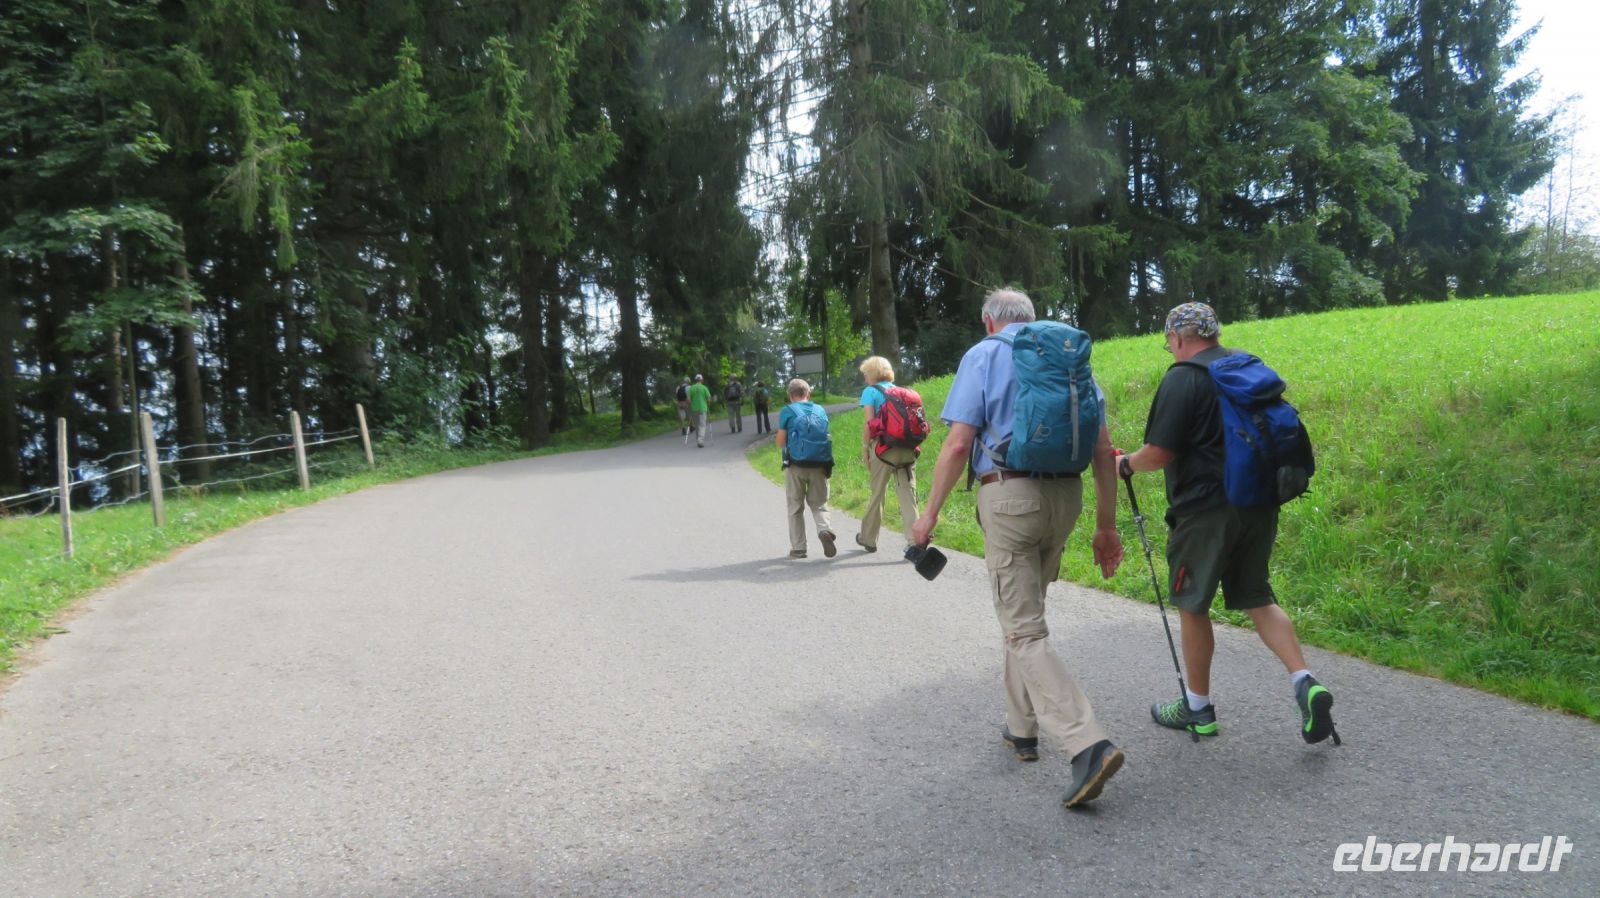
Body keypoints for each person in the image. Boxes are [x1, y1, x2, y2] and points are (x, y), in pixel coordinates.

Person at [911, 288, 1127, 809]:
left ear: (990, 321)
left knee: (1023, 626)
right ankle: (1021, 729)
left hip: (1009, 496)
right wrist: (1106, 526)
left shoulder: (984, 353)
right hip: (1066, 497)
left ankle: (1086, 743)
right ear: (1029, 321)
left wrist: (929, 514)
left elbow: (959, 443)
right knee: (1024, 613)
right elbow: (1102, 448)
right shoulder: (1070, 358)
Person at [1115, 302, 1338, 745]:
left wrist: (1125, 464)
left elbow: (1158, 455)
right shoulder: (1244, 366)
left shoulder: (1184, 378)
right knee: (1257, 596)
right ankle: (1305, 681)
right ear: (1214, 333)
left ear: (1177, 338)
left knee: (1193, 604)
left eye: (1169, 343)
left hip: (1205, 511)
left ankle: (1197, 709)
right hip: (1258, 502)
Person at [854, 356, 920, 553]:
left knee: (877, 494)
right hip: (907, 449)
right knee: (908, 495)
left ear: (872, 374)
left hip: (883, 450)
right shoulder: (902, 392)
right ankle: (915, 542)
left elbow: (869, 424)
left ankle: (869, 539)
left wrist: (866, 448)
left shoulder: (870, 392)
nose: (864, 377)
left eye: (865, 373)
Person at [776, 378, 837, 559]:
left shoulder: (787, 411)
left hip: (796, 465)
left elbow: (780, 441)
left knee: (795, 506)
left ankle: (799, 548)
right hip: (820, 463)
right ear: (808, 394)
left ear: (790, 395)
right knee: (819, 503)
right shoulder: (820, 410)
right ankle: (824, 530)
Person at [687, 374, 712, 448]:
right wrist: (708, 403)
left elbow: (688, 399)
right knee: (702, 425)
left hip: (694, 409)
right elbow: (709, 399)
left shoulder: (691, 388)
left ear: (695, 380)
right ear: (702, 380)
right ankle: (700, 440)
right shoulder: (704, 387)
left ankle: (698, 440)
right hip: (703, 408)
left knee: (697, 425)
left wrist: (692, 403)